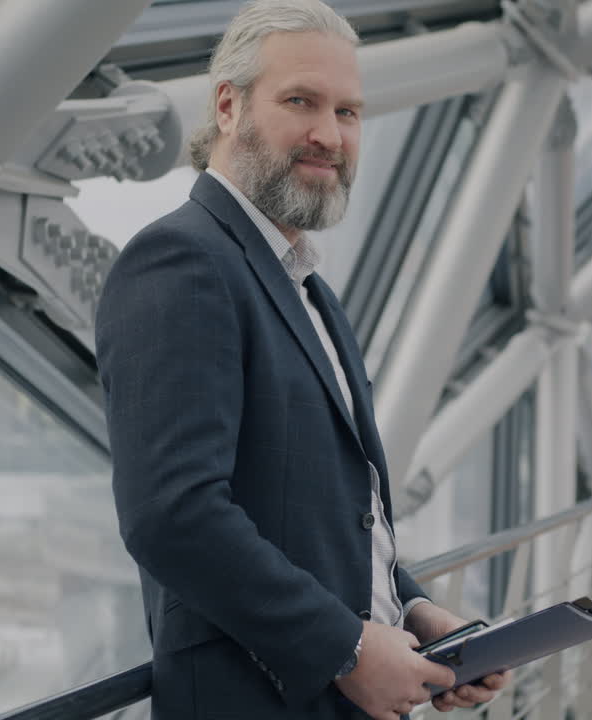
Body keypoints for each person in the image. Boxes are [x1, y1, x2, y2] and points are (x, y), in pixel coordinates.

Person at [95, 0, 510, 717]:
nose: (330, 134)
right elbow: (173, 514)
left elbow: (323, 515)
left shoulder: (307, 286)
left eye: (349, 113)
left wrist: (412, 612)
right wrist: (346, 647)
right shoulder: (181, 259)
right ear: (228, 106)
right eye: (301, 102)